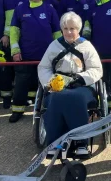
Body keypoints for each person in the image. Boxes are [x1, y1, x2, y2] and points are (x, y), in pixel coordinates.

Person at [38, 11, 103, 156]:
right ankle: (54, 142)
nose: (69, 32)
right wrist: (50, 82)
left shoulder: (86, 46)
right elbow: (43, 67)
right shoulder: (54, 46)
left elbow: (97, 69)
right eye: (66, 28)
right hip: (58, 85)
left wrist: (79, 78)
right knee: (55, 97)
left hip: (82, 85)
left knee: (76, 98)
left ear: (78, 29)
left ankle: (81, 143)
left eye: (72, 29)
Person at [9, 0, 61, 122]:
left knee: (47, 83)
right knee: (21, 83)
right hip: (25, 54)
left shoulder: (50, 9)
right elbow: (14, 32)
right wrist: (15, 51)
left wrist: (60, 51)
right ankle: (17, 110)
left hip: (46, 55)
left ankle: (47, 110)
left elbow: (57, 32)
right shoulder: (20, 8)